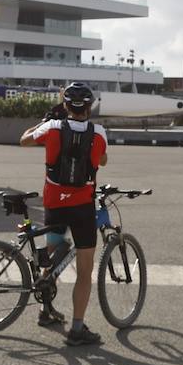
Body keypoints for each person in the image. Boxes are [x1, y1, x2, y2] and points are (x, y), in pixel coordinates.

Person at [20, 82, 109, 346]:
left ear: (66, 105)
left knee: (51, 257)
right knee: (84, 271)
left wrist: (47, 119)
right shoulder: (99, 133)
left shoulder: (52, 127)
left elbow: (24, 140)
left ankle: (45, 310)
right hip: (82, 206)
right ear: (90, 107)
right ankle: (77, 329)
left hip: (54, 202)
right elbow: (103, 160)